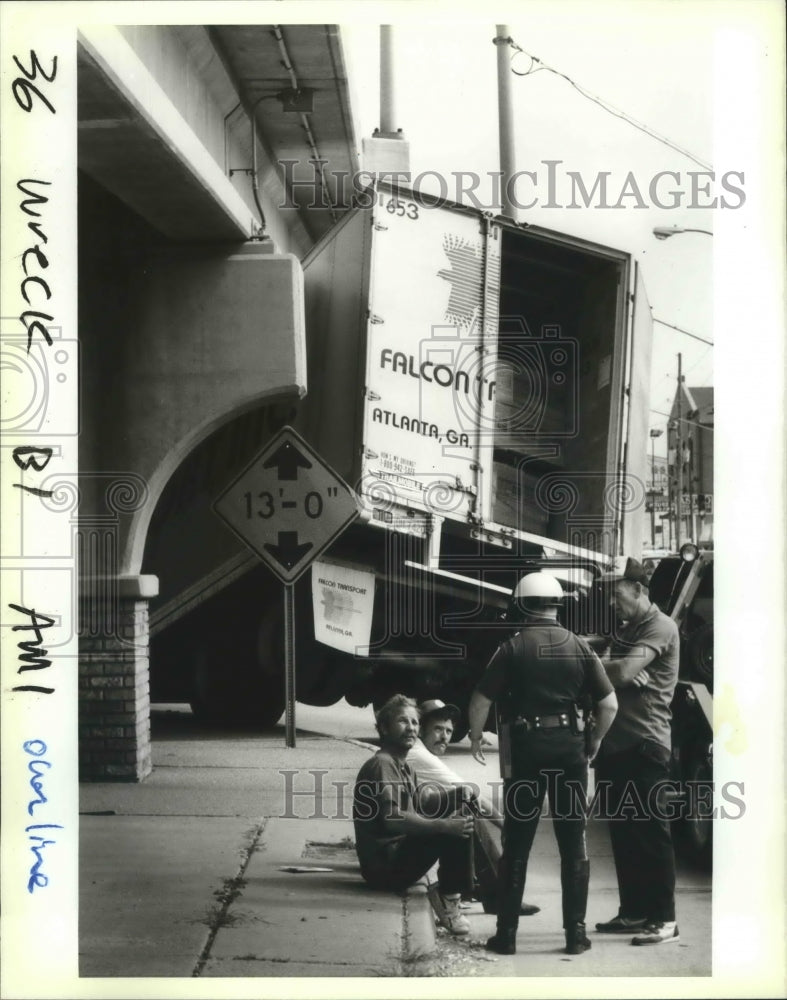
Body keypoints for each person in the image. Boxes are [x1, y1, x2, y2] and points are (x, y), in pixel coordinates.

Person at [468, 572, 618, 956]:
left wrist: (474, 736)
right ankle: (575, 935)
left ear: (523, 604)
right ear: (557, 604)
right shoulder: (581, 647)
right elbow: (608, 704)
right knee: (573, 842)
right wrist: (594, 741)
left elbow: (482, 699)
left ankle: (507, 935)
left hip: (527, 753)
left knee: (517, 842)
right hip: (570, 753)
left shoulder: (512, 647)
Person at [593, 556, 681, 946]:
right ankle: (633, 912)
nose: (613, 604)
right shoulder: (629, 629)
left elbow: (625, 673)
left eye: (617, 596)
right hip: (614, 744)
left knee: (650, 835)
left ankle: (664, 919)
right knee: (625, 835)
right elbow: (618, 670)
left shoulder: (661, 627)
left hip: (644, 743)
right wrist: (608, 664)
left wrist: (608, 669)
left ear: (640, 591)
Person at [352, 694, 475, 936]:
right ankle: (449, 895)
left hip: (399, 855)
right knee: (451, 827)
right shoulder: (382, 764)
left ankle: (460, 889)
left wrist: (456, 794)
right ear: (384, 728)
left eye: (415, 723)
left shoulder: (404, 764)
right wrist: (443, 826)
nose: (411, 728)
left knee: (464, 807)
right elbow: (393, 819)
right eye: (403, 721)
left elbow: (422, 802)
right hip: (385, 867)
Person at [407, 698, 540, 916]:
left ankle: (490, 890)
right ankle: (499, 894)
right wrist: (506, 826)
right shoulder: (418, 754)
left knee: (462, 809)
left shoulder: (418, 751)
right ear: (421, 730)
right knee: (465, 810)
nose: (444, 736)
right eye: (437, 729)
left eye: (449, 731)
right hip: (400, 851)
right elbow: (472, 794)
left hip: (406, 837)